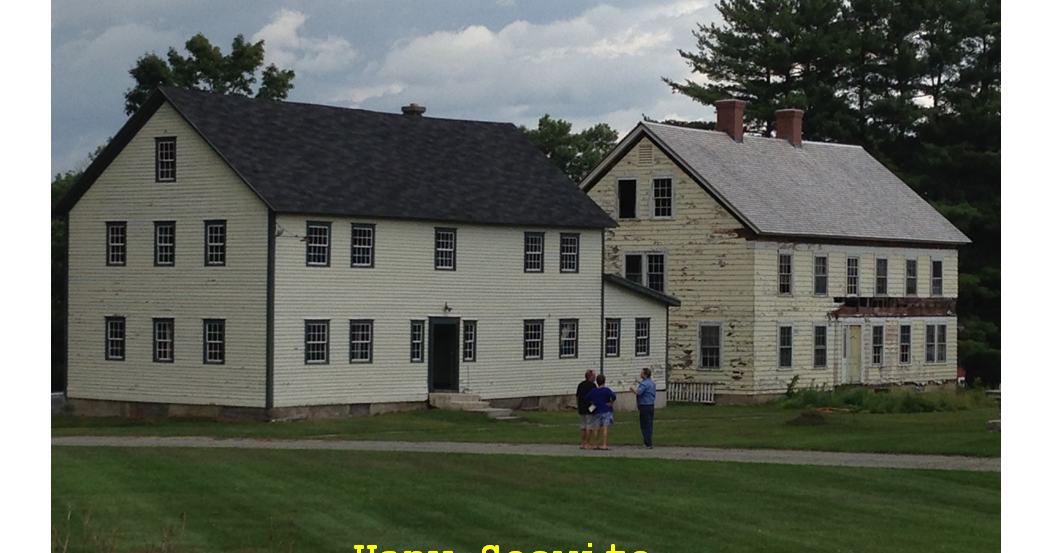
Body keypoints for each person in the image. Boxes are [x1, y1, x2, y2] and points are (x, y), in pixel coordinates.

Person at [584, 374, 617, 450]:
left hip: (597, 410)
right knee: (605, 427)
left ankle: (595, 444)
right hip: (606, 410)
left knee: (597, 427)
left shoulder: (594, 391)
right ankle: (604, 444)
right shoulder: (606, 390)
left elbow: (586, 397)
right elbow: (614, 396)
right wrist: (611, 402)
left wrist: (593, 401)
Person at [630, 368, 656, 449]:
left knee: (645, 425)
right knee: (649, 424)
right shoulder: (651, 383)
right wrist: (640, 382)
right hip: (651, 405)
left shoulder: (644, 384)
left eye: (642, 373)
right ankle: (648, 441)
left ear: (645, 374)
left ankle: (648, 443)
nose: (641, 374)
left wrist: (632, 388)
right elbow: (646, 386)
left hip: (645, 406)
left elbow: (639, 392)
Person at [576, 370, 598, 449]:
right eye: (593, 376)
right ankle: (587, 443)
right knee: (589, 426)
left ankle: (582, 443)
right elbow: (595, 396)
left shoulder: (581, 385)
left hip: (581, 408)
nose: (595, 377)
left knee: (583, 426)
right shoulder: (592, 386)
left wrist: (578, 405)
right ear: (590, 377)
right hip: (589, 408)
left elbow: (577, 396)